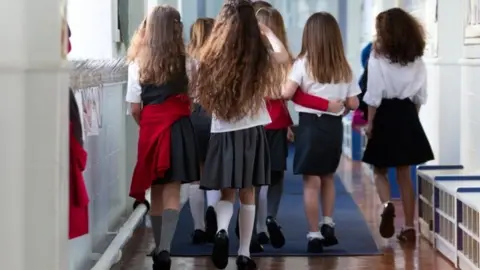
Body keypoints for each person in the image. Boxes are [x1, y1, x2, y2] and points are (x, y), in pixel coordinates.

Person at [194, 0, 290, 268]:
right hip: (251, 132)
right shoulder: (258, 55)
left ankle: (222, 230)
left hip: (223, 132)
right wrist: (268, 33)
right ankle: (244, 253)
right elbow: (283, 57)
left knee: (227, 193)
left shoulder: (211, 56)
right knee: (247, 192)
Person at [244, 6, 345, 251]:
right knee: (276, 176)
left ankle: (255, 229)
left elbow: (288, 94)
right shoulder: (286, 59)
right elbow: (288, 95)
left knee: (255, 179)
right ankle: (271, 218)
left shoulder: (248, 56)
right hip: (278, 122)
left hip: (254, 123)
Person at [126, 5, 200, 270]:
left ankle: (159, 247)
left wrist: (146, 125)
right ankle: (165, 248)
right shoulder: (189, 61)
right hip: (179, 127)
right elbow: (193, 98)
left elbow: (135, 107)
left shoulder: (137, 63)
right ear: (176, 28)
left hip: (151, 129)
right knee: (173, 191)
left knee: (155, 190)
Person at [282, 12, 360, 253]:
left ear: (309, 36)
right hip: (333, 128)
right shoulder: (343, 66)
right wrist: (339, 106)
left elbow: (286, 93)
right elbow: (355, 103)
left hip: (309, 127)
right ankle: (328, 221)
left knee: (310, 182)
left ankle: (314, 234)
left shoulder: (302, 63)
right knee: (328, 177)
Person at [362, 8, 434, 243]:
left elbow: (373, 93)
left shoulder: (377, 55)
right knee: (405, 174)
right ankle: (410, 226)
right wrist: (412, 119)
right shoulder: (416, 56)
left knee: (379, 170)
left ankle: (386, 206)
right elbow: (420, 96)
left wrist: (370, 122)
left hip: (384, 113)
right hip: (407, 114)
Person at [186, 17, 217, 244]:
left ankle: (198, 226)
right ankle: (215, 220)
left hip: (192, 114)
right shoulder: (218, 59)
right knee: (214, 171)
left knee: (195, 175)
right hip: (215, 114)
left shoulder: (185, 60)